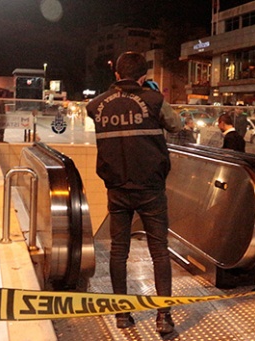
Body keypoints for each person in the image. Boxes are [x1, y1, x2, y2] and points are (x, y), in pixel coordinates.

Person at [85, 51, 181, 336]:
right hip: (150, 188)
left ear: (116, 75)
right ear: (143, 76)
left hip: (116, 188)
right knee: (159, 251)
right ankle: (163, 318)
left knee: (118, 251)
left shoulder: (96, 105)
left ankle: (122, 315)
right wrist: (151, 95)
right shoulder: (154, 100)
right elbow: (177, 125)